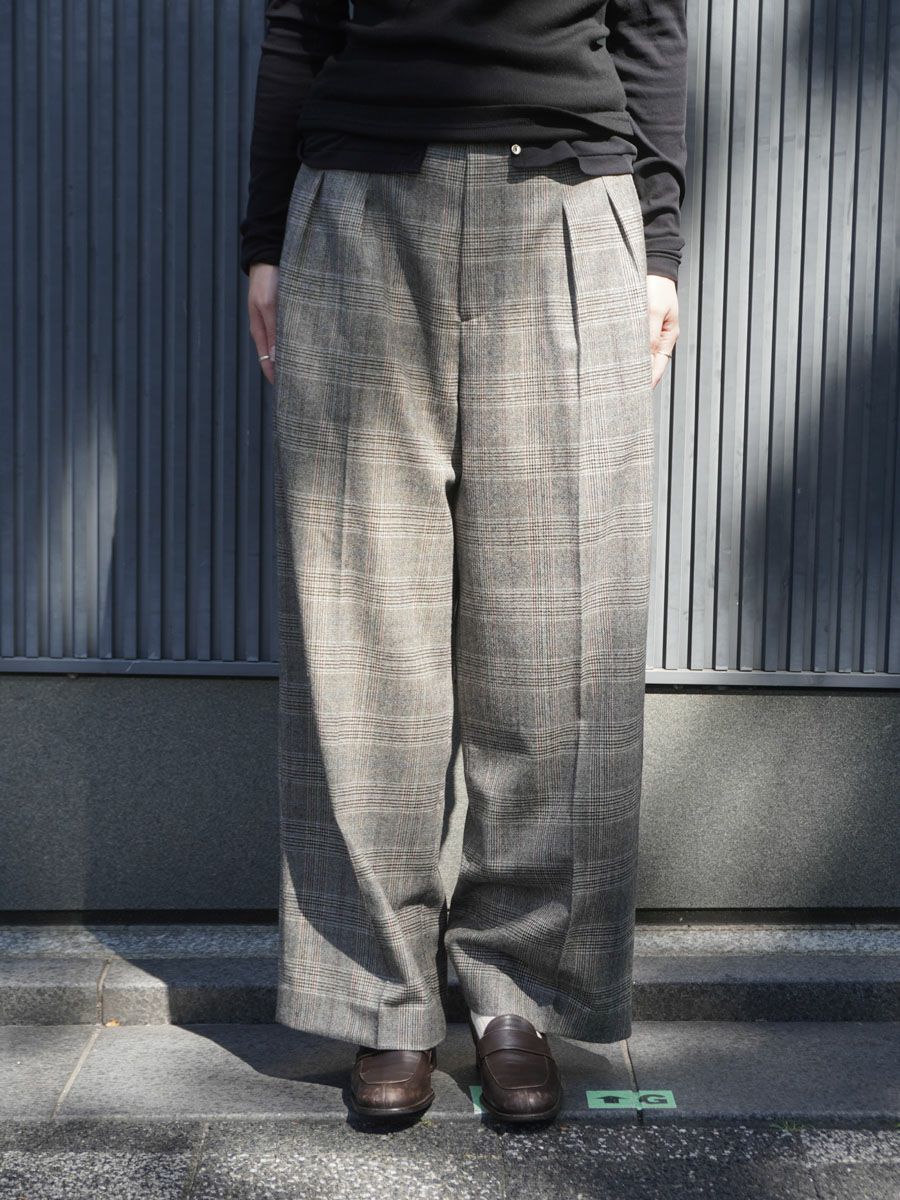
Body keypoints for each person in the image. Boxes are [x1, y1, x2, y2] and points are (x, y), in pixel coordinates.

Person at [240, 0, 686, 1124]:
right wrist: (263, 240)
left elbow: (650, 24)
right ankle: (382, 1002)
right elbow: (300, 21)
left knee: (559, 631)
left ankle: (516, 996)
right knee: (361, 628)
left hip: (567, 202)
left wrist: (660, 247)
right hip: (360, 202)